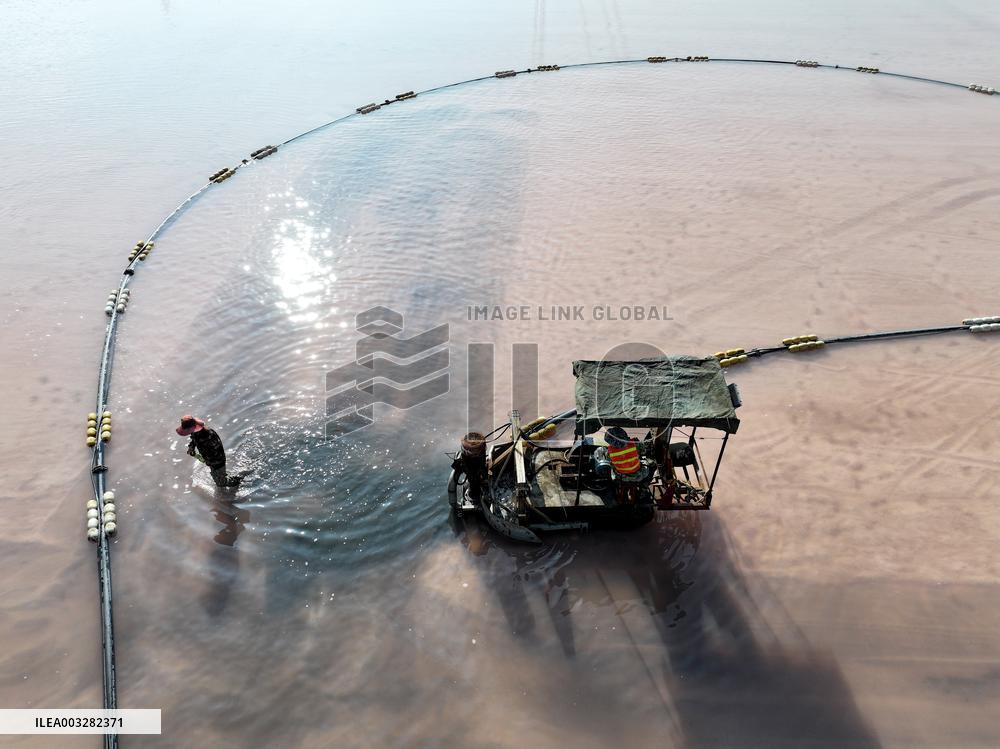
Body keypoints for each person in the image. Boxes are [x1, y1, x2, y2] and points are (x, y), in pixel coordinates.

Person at [176, 415, 241, 487]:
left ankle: (240, 479)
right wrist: (191, 447)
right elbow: (193, 440)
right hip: (212, 460)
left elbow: (216, 451)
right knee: (219, 478)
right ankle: (229, 478)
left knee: (221, 483)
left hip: (217, 461)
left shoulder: (207, 437)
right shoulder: (196, 433)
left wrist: (210, 464)